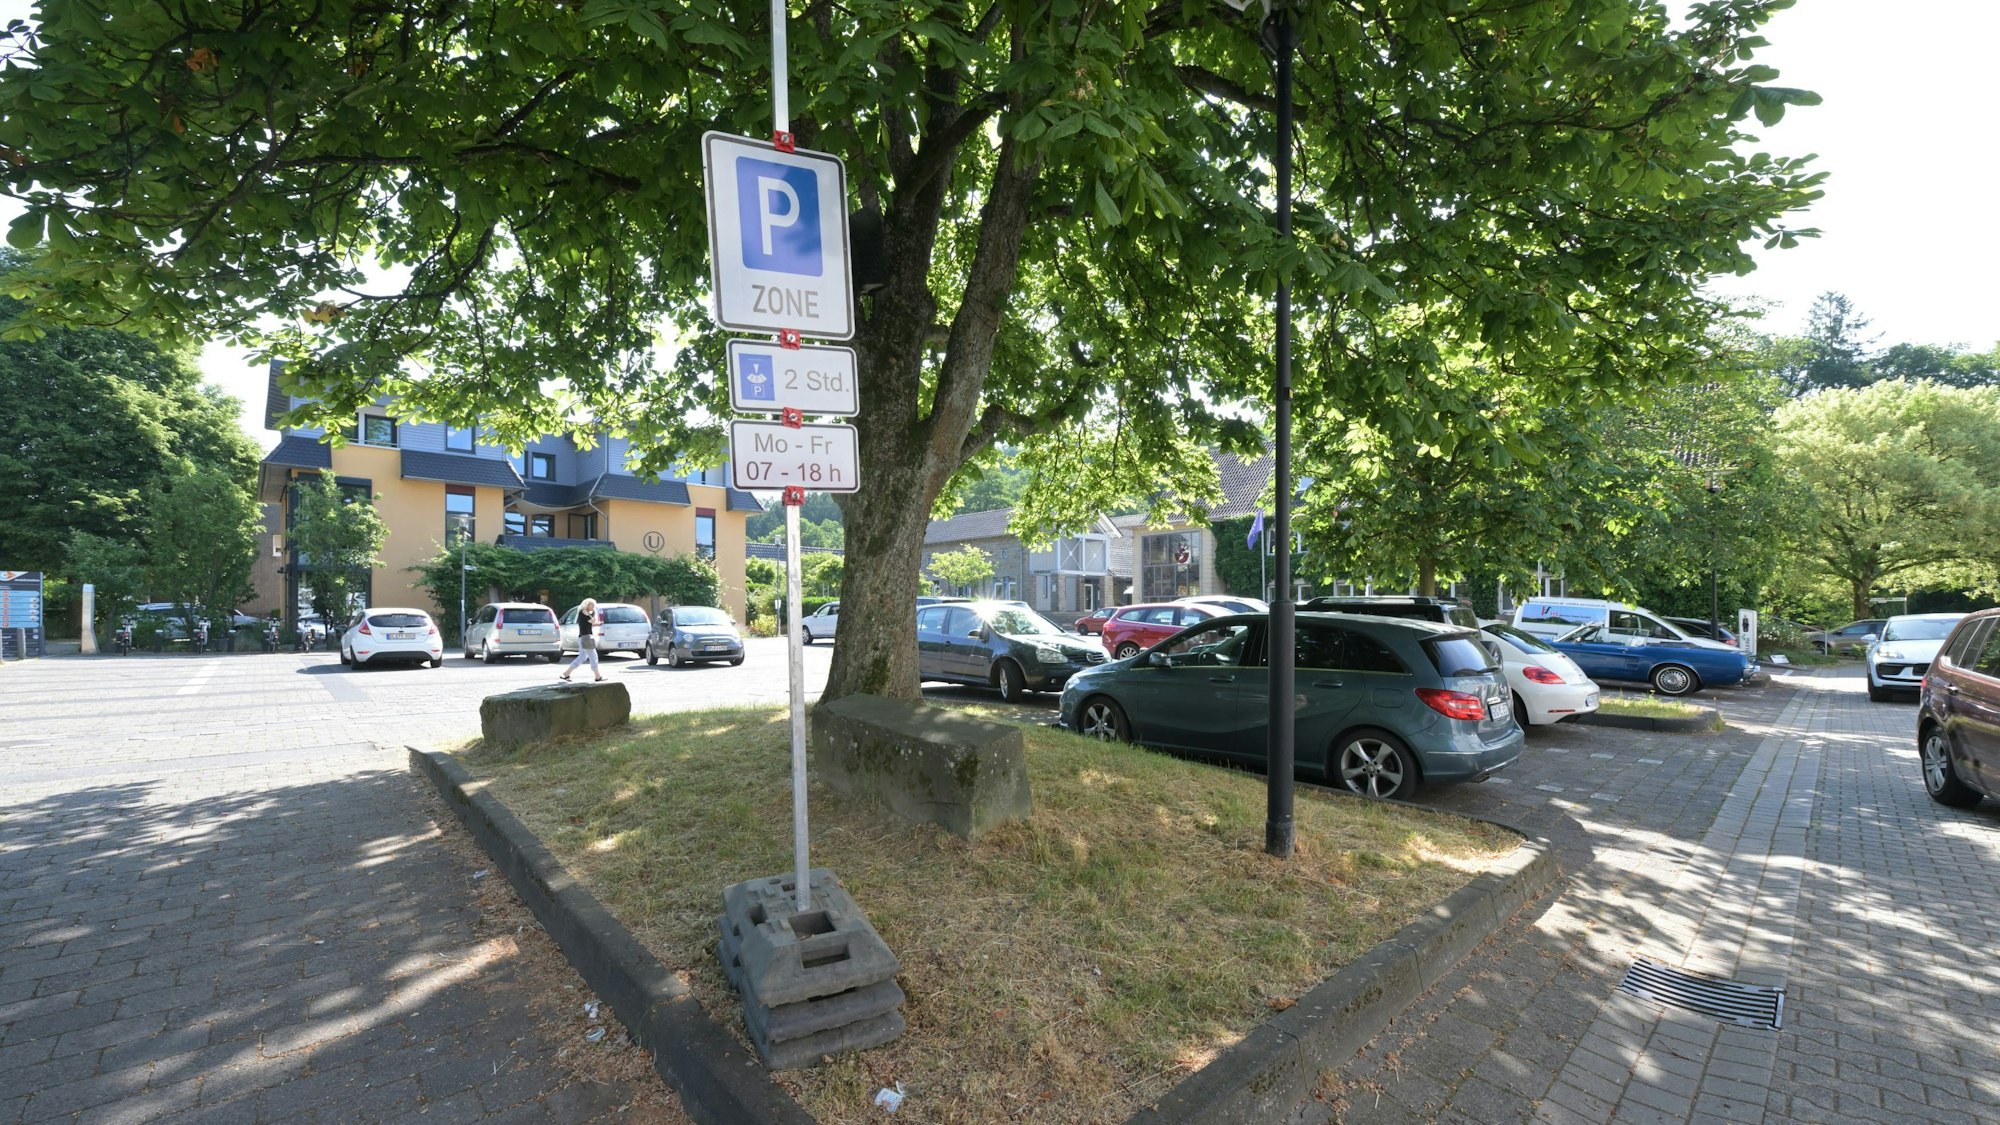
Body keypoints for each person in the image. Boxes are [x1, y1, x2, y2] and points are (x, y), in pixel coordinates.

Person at [561, 598, 605, 682]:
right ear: (587, 604)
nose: (593, 607)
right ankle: (597, 676)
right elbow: (592, 620)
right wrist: (594, 613)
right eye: (592, 605)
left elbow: (591, 622)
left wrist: (593, 616)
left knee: (582, 656)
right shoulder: (583, 612)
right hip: (586, 637)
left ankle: (566, 673)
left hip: (583, 637)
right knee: (593, 656)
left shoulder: (583, 613)